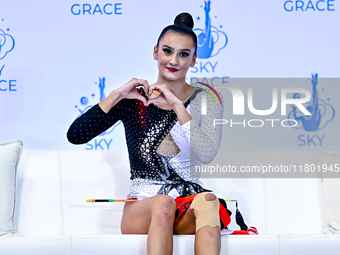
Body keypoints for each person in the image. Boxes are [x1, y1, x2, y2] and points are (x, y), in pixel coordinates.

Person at [67, 12, 224, 255]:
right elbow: (76, 135)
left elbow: (206, 153)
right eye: (167, 51)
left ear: (193, 60)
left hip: (184, 205)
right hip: (142, 206)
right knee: (163, 204)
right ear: (155, 52)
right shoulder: (135, 100)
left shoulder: (205, 100)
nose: (173, 60)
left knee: (209, 200)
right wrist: (117, 95)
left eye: (184, 54)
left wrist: (177, 106)